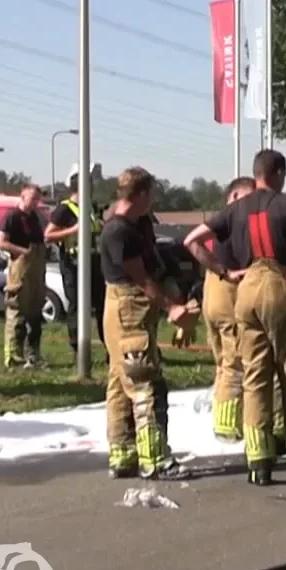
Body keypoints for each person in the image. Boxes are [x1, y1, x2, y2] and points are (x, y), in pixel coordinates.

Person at [184, 150, 286, 485]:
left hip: (246, 290)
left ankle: (259, 462)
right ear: (278, 173)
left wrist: (224, 271)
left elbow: (191, 241)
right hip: (279, 285)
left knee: (255, 376)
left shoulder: (235, 209)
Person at [99, 167, 194, 479]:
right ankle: (154, 460)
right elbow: (141, 279)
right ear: (140, 194)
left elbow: (156, 265)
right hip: (127, 308)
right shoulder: (118, 231)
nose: (154, 199)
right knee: (144, 382)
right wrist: (171, 309)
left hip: (133, 308)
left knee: (119, 380)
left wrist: (176, 297)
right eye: (151, 193)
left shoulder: (138, 224)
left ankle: (123, 454)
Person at [203, 176, 255, 442]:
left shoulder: (217, 221)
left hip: (213, 289)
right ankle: (226, 426)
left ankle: (225, 417)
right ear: (233, 197)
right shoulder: (234, 221)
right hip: (227, 292)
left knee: (223, 360)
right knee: (234, 361)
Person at [44, 172, 105, 356]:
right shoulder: (64, 209)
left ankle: (110, 346)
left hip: (93, 260)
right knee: (77, 305)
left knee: (102, 304)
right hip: (73, 264)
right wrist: (73, 229)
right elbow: (48, 235)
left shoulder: (90, 207)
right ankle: (78, 349)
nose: (93, 188)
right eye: (90, 185)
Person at [0, 185, 48, 369]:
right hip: (20, 269)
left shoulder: (35, 218)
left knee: (35, 314)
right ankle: (13, 357)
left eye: (37, 199)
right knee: (17, 312)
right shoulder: (12, 217)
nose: (35, 202)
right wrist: (23, 252)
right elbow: (1, 242)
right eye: (32, 198)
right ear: (22, 196)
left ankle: (33, 355)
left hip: (36, 272)